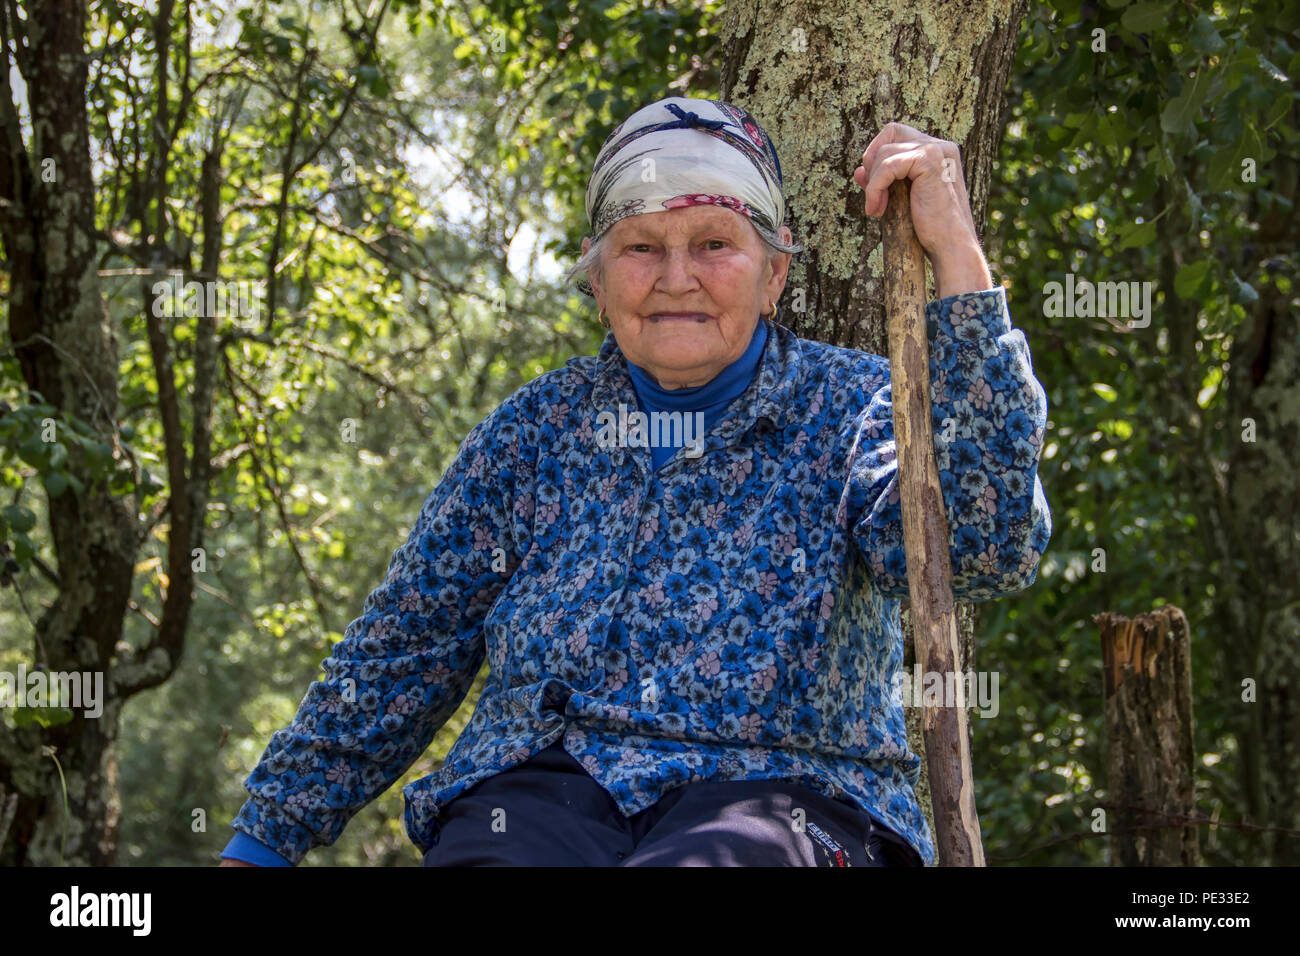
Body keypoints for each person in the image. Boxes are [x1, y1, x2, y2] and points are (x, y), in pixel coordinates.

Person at [220, 96, 1051, 867]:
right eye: (641, 248)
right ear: (597, 279)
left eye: (715, 244)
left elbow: (983, 551)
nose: (676, 277)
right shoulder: (534, 432)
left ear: (774, 275)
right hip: (540, 792)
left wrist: (958, 262)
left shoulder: (858, 409)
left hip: (784, 796)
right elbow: (404, 648)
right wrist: (262, 845)